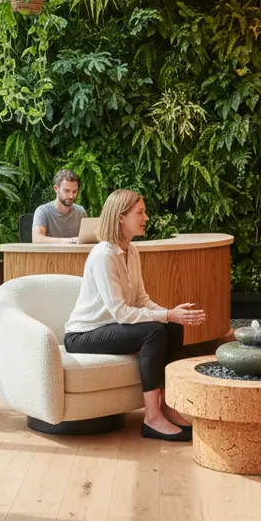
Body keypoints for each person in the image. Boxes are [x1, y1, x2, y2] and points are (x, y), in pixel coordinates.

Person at [62, 189, 206, 441]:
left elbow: (141, 300)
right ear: (120, 217)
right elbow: (121, 312)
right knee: (154, 330)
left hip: (111, 326)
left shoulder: (132, 251)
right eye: (139, 212)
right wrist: (166, 315)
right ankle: (151, 418)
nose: (146, 217)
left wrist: (171, 315)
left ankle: (166, 407)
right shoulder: (104, 256)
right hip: (83, 335)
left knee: (173, 328)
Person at [32, 168, 87, 244]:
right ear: (56, 189)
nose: (71, 196)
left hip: (74, 255)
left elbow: (86, 239)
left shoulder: (80, 212)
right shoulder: (43, 211)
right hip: (50, 255)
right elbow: (37, 239)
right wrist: (70, 240)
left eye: (75, 191)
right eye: (66, 191)